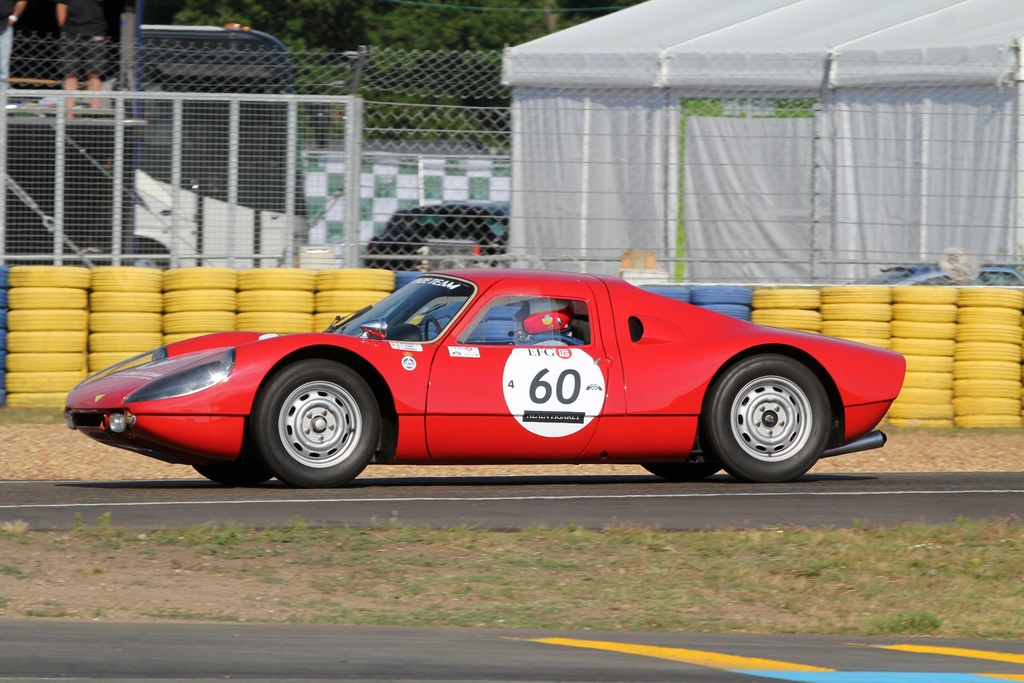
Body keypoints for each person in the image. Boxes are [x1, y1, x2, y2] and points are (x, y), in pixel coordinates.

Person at [54, 0, 107, 109]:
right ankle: (69, 112)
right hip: (71, 31)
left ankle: (94, 111)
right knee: (70, 73)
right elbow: (60, 4)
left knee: (94, 73)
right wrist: (65, 28)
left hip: (95, 30)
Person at [0, 0, 28, 90]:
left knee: (2, 65)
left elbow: (22, 1)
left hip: (3, 26)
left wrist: (14, 17)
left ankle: (2, 96)